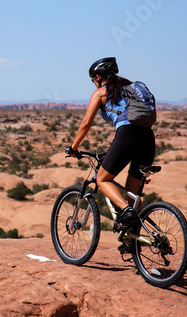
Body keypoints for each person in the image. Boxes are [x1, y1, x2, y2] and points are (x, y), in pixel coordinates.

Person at [67, 57, 156, 247]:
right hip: (148, 138)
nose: (93, 84)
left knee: (102, 179)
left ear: (98, 77)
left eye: (92, 80)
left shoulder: (101, 93)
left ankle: (125, 211)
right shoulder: (130, 90)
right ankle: (133, 241)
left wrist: (74, 148)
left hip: (128, 135)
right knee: (133, 195)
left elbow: (86, 124)